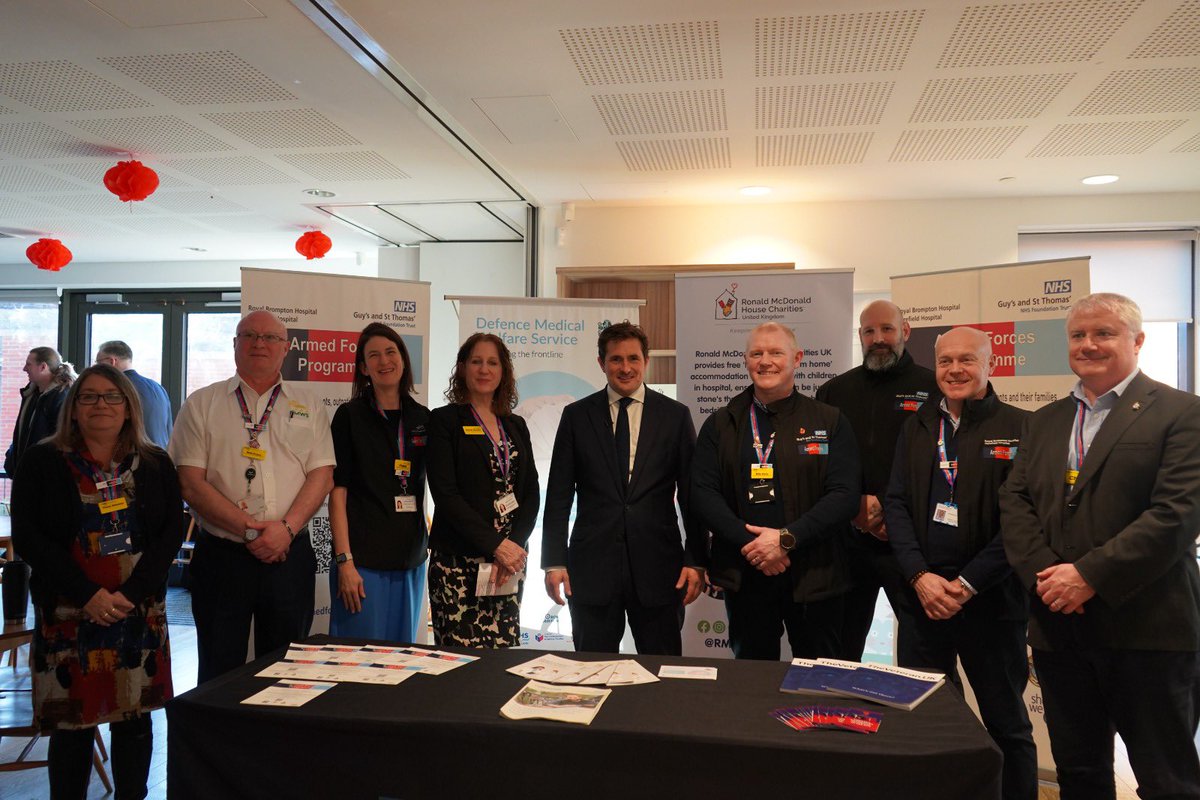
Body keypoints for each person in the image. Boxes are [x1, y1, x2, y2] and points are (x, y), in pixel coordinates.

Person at [1001, 293, 1200, 799]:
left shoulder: (1182, 414)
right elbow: (1016, 502)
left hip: (1147, 629)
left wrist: (1087, 576)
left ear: (1137, 341)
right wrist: (1049, 576)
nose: (1088, 345)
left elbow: (1176, 515)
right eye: (1078, 336)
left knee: (1167, 779)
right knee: (1080, 773)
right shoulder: (1042, 421)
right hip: (1059, 626)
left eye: (1103, 334)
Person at [12, 364, 184, 799]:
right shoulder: (41, 461)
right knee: (72, 729)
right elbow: (29, 537)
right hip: (70, 616)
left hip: (137, 613)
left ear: (128, 408)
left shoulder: (155, 462)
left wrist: (131, 593)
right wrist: (87, 595)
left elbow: (169, 534)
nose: (100, 404)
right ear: (73, 409)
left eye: (111, 396)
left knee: (135, 723)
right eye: (88, 396)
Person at [884, 326, 1036, 800]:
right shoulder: (918, 425)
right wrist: (919, 576)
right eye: (946, 361)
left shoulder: (1021, 427)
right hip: (923, 603)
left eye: (966, 360)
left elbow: (1022, 521)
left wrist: (967, 584)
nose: (955, 370)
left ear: (990, 364)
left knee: (1006, 723)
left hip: (992, 604)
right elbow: (897, 505)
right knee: (928, 721)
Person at [169, 310, 334, 682]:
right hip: (223, 558)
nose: (259, 343)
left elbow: (321, 476)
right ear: (235, 344)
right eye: (249, 335)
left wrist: (285, 531)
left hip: (290, 556)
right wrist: (251, 530)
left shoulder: (309, 404)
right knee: (218, 668)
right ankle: (218, 742)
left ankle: (278, 741)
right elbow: (191, 483)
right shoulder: (201, 404)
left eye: (271, 337)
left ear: (286, 348)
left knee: (286, 670)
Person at [691, 322, 860, 660]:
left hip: (816, 576)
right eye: (757, 353)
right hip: (747, 573)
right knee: (752, 681)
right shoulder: (721, 424)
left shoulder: (829, 421)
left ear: (797, 358)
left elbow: (844, 495)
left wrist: (784, 539)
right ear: (746, 360)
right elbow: (703, 494)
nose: (765, 361)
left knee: (818, 678)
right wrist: (753, 545)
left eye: (775, 353)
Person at [541, 321, 703, 655]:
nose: (625, 368)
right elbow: (558, 493)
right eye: (616, 359)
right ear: (601, 363)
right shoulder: (576, 416)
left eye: (633, 358)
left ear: (647, 361)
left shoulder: (675, 416)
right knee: (591, 672)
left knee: (662, 672)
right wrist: (554, 561)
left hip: (660, 571)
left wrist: (697, 560)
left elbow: (691, 496)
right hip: (591, 571)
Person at [815, 300, 936, 662]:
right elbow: (820, 464)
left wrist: (887, 508)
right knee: (839, 654)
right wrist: (855, 507)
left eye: (887, 329)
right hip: (847, 544)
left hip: (910, 545)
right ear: (860, 336)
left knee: (923, 656)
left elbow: (940, 464)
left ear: (906, 331)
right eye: (870, 331)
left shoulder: (934, 387)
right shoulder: (835, 391)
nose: (878, 338)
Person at [426, 333, 539, 648]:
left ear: (503, 371)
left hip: (506, 568)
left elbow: (531, 492)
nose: (484, 369)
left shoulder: (516, 425)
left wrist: (512, 546)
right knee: (458, 666)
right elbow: (445, 495)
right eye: (476, 361)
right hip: (457, 565)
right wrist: (496, 545)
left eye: (492, 362)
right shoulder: (445, 421)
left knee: (501, 663)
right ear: (462, 368)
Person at [328, 323, 429, 641]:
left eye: (391, 352)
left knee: (401, 666)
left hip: (410, 562)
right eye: (374, 355)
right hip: (362, 566)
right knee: (358, 667)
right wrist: (345, 561)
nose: (384, 361)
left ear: (403, 358)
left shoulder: (423, 418)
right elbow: (337, 493)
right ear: (363, 367)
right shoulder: (349, 417)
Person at [4, 346, 76, 476]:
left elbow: (62, 441)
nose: (24, 369)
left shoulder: (61, 397)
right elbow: (24, 433)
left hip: (45, 477)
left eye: (28, 364)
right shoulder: (31, 394)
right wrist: (11, 458)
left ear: (43, 367)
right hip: (27, 475)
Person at [94, 340, 173, 449]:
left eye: (98, 363)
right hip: (162, 457)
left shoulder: (116, 388)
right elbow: (168, 430)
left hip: (133, 459)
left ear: (112, 361)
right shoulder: (158, 388)